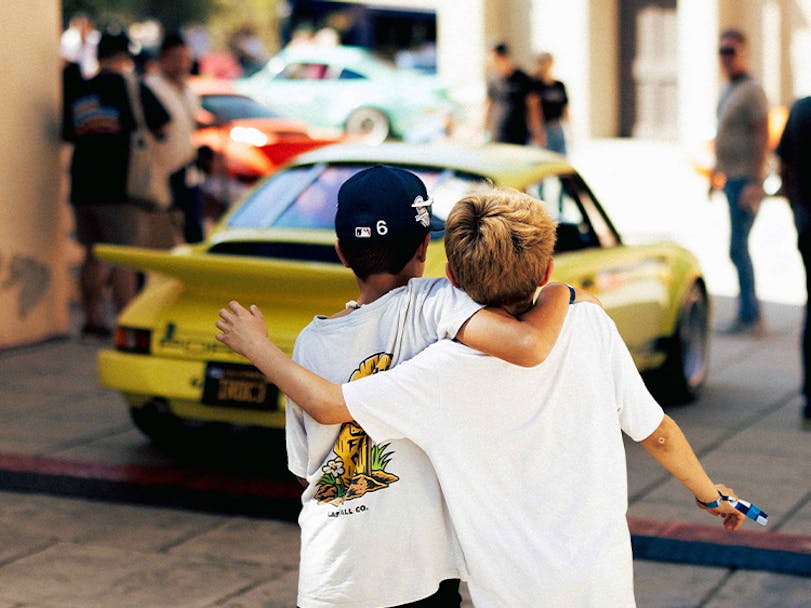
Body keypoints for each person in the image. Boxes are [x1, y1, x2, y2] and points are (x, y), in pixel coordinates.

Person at [217, 187, 749, 607]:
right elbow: (656, 431)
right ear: (545, 269)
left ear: (448, 275)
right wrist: (708, 494)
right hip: (600, 585)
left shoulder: (439, 371)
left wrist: (256, 347)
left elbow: (331, 406)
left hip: (506, 591)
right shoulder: (588, 325)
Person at [217, 165, 594, 608]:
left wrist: (257, 346)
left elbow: (303, 467)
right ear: (423, 248)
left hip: (335, 572)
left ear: (341, 252)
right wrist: (561, 292)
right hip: (420, 569)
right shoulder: (437, 305)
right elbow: (528, 345)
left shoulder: (310, 342)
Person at [68, 30, 170, 338]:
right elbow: (162, 124)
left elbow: (67, 132)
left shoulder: (80, 89)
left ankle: (93, 319)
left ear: (99, 56)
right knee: (124, 256)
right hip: (121, 185)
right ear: (125, 56)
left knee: (91, 255)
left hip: (83, 182)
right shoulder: (131, 87)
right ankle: (126, 324)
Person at [710, 29, 769, 335]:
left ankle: (750, 313)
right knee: (737, 246)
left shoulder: (752, 90)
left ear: (744, 53)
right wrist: (714, 172)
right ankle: (748, 310)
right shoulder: (728, 89)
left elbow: (762, 136)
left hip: (746, 180)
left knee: (737, 246)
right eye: (722, 51)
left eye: (732, 51)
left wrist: (756, 182)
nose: (726, 57)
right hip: (730, 178)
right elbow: (723, 134)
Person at [145, 32, 204, 244]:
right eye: (176, 59)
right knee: (157, 236)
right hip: (160, 172)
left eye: (185, 59)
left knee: (194, 232)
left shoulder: (188, 90)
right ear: (163, 59)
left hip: (186, 169)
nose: (182, 65)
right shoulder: (151, 88)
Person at [776, 96, 811, 421]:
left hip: (807, 220)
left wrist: (795, 206)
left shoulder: (800, 109)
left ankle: (809, 397)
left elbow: (783, 164)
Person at [484, 42, 545, 146]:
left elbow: (533, 106)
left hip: (518, 134)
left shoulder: (523, 78)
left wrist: (537, 132)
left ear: (503, 57)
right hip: (498, 133)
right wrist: (482, 128)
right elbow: (488, 105)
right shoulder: (493, 80)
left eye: (493, 59)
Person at [532, 51, 569, 155]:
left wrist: (569, 129)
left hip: (557, 126)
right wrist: (538, 132)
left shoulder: (559, 85)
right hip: (544, 128)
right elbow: (534, 109)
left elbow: (565, 108)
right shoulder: (536, 85)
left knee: (562, 157)